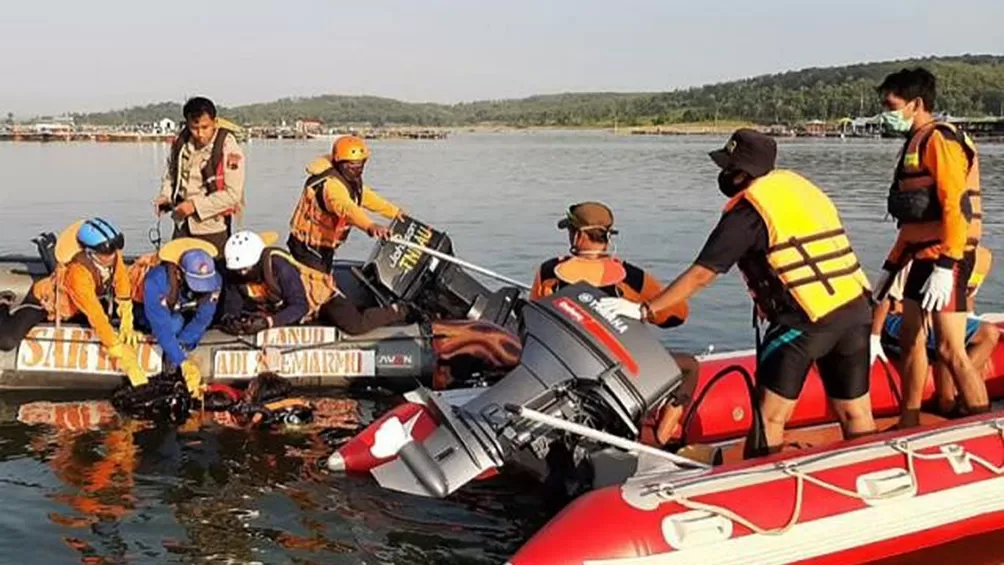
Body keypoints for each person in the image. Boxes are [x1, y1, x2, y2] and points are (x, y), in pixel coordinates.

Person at [598, 129, 877, 458]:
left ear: (744, 172)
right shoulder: (798, 189)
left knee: (770, 416)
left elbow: (702, 273)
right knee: (855, 411)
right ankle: (871, 465)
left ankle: (761, 482)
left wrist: (645, 310)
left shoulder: (748, 212)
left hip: (803, 322)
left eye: (728, 168)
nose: (723, 174)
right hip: (855, 310)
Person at [870, 68, 987, 428]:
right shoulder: (915, 142)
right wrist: (890, 268)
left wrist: (946, 265)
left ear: (916, 103)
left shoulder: (940, 140)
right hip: (920, 256)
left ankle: (984, 424)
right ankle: (910, 419)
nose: (886, 112)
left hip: (947, 258)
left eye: (892, 105)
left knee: (951, 349)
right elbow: (913, 221)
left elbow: (956, 207)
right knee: (910, 339)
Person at [531, 201, 693, 446]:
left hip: (567, 369)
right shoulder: (632, 277)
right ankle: (661, 438)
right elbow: (677, 315)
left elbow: (535, 318)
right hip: (622, 373)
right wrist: (643, 312)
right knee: (690, 366)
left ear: (579, 235)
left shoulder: (549, 272)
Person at [0, 218, 147, 387]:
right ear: (90, 252)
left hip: (80, 306)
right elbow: (95, 315)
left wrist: (127, 321)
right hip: (49, 304)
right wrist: (118, 350)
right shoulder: (77, 274)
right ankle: (4, 303)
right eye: (106, 253)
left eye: (115, 251)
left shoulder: (113, 256)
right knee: (7, 340)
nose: (113, 257)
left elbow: (122, 284)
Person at [871, 246, 998, 415]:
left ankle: (955, 395)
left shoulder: (981, 257)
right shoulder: (922, 253)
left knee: (976, 333)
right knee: (979, 333)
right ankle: (950, 399)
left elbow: (966, 296)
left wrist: (969, 320)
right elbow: (886, 297)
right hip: (899, 316)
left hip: (942, 315)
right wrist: (874, 336)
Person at [219, 231, 409, 335]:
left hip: (321, 302)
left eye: (246, 268)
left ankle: (398, 310)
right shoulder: (237, 274)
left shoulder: (279, 267)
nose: (243, 273)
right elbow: (233, 300)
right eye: (238, 270)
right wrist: (230, 318)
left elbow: (300, 305)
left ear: (256, 261)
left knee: (354, 325)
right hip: (283, 307)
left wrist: (268, 323)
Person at [287, 135, 405, 272]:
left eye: (360, 166)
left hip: (324, 246)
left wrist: (395, 212)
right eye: (352, 167)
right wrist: (370, 225)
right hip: (307, 247)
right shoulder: (331, 187)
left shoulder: (349, 180)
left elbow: (365, 196)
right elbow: (346, 208)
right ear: (339, 163)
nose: (357, 171)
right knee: (317, 288)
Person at [129, 238, 222, 398]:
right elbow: (162, 327)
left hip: (184, 310)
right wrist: (181, 361)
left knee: (185, 327)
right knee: (174, 324)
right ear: (179, 273)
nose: (202, 289)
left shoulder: (214, 280)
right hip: (148, 312)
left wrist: (183, 345)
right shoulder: (155, 281)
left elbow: (204, 317)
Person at [153, 96, 245, 255]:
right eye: (194, 128)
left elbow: (233, 195)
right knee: (177, 271)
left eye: (205, 127)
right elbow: (171, 174)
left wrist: (194, 206)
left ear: (215, 122)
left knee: (213, 274)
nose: (200, 134)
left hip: (212, 227)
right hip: (181, 223)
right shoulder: (181, 144)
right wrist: (165, 196)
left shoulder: (228, 148)